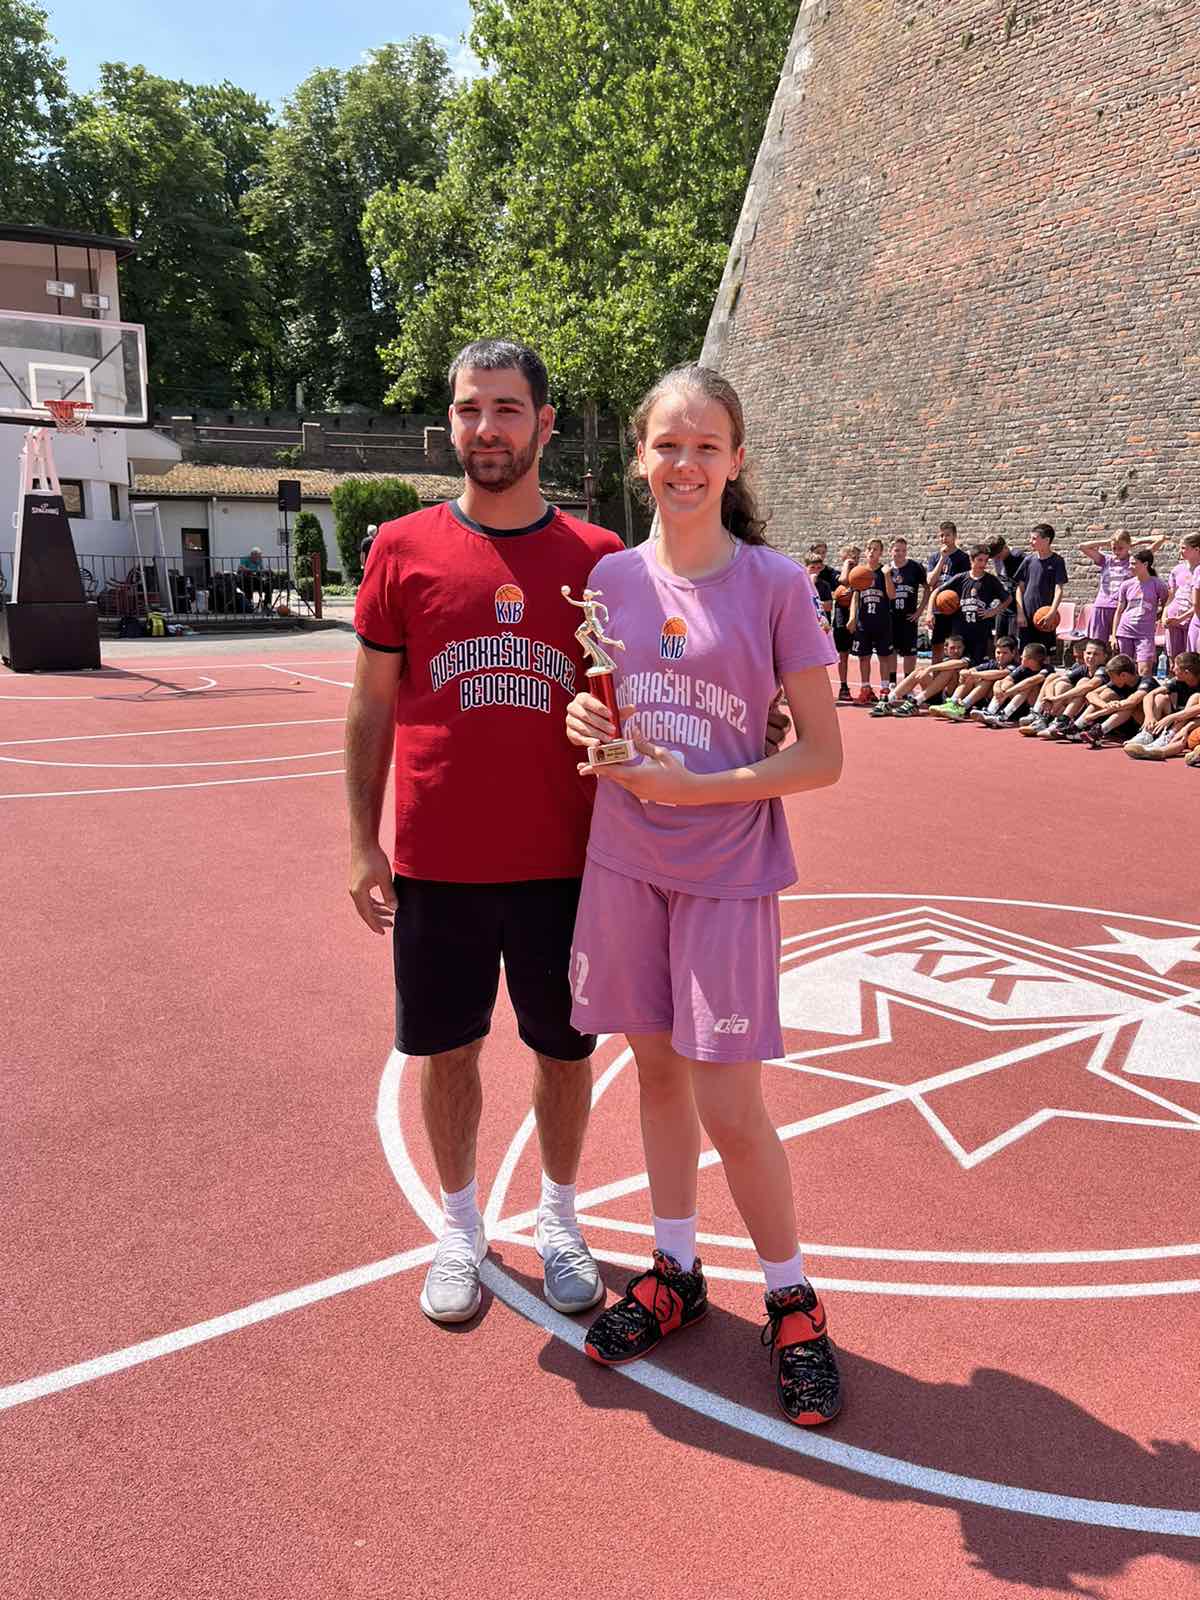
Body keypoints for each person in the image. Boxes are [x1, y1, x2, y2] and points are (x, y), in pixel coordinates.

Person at [563, 363, 844, 1426]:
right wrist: (587, 725)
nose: (685, 464)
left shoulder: (774, 583)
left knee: (730, 1101)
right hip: (625, 860)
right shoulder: (608, 580)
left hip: (726, 868)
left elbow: (821, 756)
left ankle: (793, 1299)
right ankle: (675, 1271)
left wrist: (699, 788)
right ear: (641, 455)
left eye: (706, 446)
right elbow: (608, 708)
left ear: (736, 460)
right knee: (656, 1078)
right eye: (668, 445)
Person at [345, 339, 625, 1325]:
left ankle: (559, 1216)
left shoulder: (599, 558)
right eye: (471, 409)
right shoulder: (402, 548)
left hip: (565, 863)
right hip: (440, 862)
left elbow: (633, 700)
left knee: (565, 1052)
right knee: (447, 1050)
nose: (487, 428)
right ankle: (460, 1227)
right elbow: (371, 705)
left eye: (507, 409)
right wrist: (360, 838)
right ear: (450, 423)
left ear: (544, 423)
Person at [926, 542, 1008, 664]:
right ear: (971, 559)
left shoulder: (991, 580)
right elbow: (935, 591)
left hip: (980, 633)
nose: (983, 564)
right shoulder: (960, 578)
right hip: (960, 633)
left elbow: (1008, 599)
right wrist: (929, 613)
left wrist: (993, 611)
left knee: (976, 666)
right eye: (980, 560)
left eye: (986, 561)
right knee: (956, 666)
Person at [1022, 638, 1111, 737]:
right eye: (1088, 653)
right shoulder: (1083, 668)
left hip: (1098, 710)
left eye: (1096, 654)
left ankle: (1063, 722)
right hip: (1078, 708)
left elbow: (1090, 686)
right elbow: (1052, 683)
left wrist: (1058, 698)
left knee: (1083, 682)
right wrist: (1050, 698)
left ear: (1105, 656)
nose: (1091, 657)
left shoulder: (1104, 669)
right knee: (1061, 683)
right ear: (1084, 653)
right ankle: (1045, 718)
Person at [1066, 654, 1157, 747]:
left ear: (1123, 675)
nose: (1111, 680)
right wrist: (1105, 705)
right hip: (1123, 724)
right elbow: (1090, 694)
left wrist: (1096, 715)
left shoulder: (1147, 681)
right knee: (1107, 693)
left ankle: (1099, 731)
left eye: (1112, 677)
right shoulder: (1118, 683)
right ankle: (1078, 726)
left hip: (1145, 724)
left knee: (1130, 706)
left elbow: (1132, 701)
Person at [846, 536, 896, 703]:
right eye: (869, 549)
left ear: (881, 553)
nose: (872, 552)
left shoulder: (885, 571)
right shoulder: (859, 572)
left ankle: (884, 689)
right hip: (864, 621)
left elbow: (892, 595)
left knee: (884, 656)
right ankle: (865, 688)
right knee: (863, 656)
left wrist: (887, 576)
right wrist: (852, 617)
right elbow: (855, 597)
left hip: (882, 620)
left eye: (875, 549)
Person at [1124, 651, 1200, 758]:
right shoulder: (1177, 681)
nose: (1172, 669)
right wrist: (1149, 716)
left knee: (1195, 697)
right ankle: (1148, 734)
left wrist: (1171, 717)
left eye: (1175, 667)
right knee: (1160, 697)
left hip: (1192, 721)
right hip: (1177, 720)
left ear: (1186, 673)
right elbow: (1149, 695)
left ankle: (1165, 741)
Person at [927, 633, 1019, 720]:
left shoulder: (1015, 666)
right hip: (986, 700)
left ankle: (962, 707)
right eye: (998, 652)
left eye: (1005, 653)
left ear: (1013, 653)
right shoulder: (992, 663)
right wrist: (966, 673)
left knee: (987, 679)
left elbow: (1001, 673)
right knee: (970, 677)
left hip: (1007, 704)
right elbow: (972, 670)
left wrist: (973, 674)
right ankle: (953, 703)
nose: (1001, 656)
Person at [873, 633, 970, 716]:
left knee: (950, 670)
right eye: (952, 648)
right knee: (919, 670)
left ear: (964, 648)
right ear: (946, 649)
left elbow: (959, 663)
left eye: (959, 648)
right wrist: (926, 670)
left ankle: (915, 702)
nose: (956, 651)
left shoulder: (966, 659)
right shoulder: (945, 659)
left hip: (952, 698)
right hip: (939, 695)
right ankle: (888, 700)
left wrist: (930, 668)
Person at [1111, 546, 1169, 673]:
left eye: (1134, 563)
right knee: (1124, 671)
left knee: (1144, 670)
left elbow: (1166, 604)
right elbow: (1119, 611)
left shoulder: (1158, 584)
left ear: (1145, 564)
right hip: (1125, 631)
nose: (1130, 566)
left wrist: (1159, 616)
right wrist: (1114, 636)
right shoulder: (1126, 585)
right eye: (1130, 563)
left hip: (1145, 634)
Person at [1013, 524, 1068, 654]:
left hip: (1045, 615)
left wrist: (1052, 612)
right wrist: (1020, 613)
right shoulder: (1028, 560)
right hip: (1027, 615)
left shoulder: (1057, 561)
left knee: (1045, 654)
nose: (1030, 541)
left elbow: (1059, 589)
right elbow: (1020, 589)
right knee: (1025, 653)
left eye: (1034, 538)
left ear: (1046, 540)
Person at [970, 640, 1050, 727]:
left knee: (1028, 686)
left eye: (1023, 656)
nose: (1020, 657)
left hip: (1034, 705)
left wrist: (1009, 691)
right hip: (1017, 703)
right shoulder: (1022, 668)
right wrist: (998, 687)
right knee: (1006, 684)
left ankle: (1003, 716)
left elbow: (1031, 681)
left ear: (1031, 660)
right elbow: (1005, 680)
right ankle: (989, 711)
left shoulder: (1047, 668)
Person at [924, 521, 970, 662]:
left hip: (954, 607)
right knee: (937, 645)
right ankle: (936, 673)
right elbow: (930, 581)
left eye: (947, 535)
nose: (944, 539)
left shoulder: (962, 558)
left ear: (955, 536)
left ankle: (954, 673)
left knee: (955, 645)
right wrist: (942, 559)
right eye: (941, 535)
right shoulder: (935, 557)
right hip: (938, 608)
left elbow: (964, 584)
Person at [888, 536, 927, 678]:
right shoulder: (886, 570)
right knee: (891, 650)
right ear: (890, 551)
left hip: (909, 616)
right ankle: (892, 681)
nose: (900, 553)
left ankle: (907, 682)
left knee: (910, 653)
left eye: (903, 550)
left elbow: (927, 588)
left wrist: (919, 611)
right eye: (897, 550)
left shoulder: (915, 567)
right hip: (891, 616)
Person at [1163, 534, 1200, 664]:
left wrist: (1181, 618)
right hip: (1173, 618)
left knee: (1190, 660)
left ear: (1196, 549)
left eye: (1184, 548)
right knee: (1174, 659)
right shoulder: (1177, 570)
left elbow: (1197, 603)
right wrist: (1164, 615)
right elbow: (1171, 596)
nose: (1180, 551)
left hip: (1191, 619)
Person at [831, 543, 860, 703]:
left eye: (856, 556)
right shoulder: (836, 574)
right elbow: (842, 581)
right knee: (843, 654)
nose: (854, 559)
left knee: (864, 655)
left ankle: (865, 687)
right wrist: (846, 566)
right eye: (850, 556)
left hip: (860, 618)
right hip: (841, 618)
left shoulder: (861, 575)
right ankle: (843, 686)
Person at [986, 535, 1022, 638]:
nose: (997, 559)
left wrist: (1021, 612)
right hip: (1003, 607)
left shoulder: (1019, 557)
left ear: (1005, 547)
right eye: (994, 558)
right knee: (999, 641)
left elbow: (1022, 587)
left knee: (1012, 642)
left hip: (1016, 608)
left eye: (998, 556)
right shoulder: (996, 558)